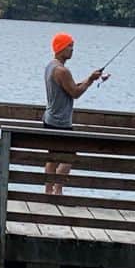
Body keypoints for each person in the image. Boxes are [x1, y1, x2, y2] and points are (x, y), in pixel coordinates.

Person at [43, 32, 107, 194]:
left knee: (53, 156)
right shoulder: (62, 71)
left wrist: (90, 79)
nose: (72, 50)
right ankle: (58, 191)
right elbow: (75, 93)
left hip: (50, 118)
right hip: (60, 121)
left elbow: (69, 87)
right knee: (69, 157)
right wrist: (91, 80)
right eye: (69, 46)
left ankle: (48, 191)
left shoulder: (51, 66)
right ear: (60, 48)